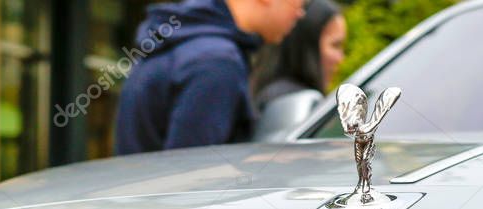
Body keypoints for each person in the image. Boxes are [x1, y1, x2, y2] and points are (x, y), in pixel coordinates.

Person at [115, 0, 304, 154]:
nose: (300, 13)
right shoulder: (216, 61)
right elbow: (191, 172)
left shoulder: (186, 42)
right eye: (298, 4)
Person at [251, 0, 345, 140]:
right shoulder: (297, 104)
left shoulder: (268, 93)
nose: (340, 58)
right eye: (335, 45)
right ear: (307, 46)